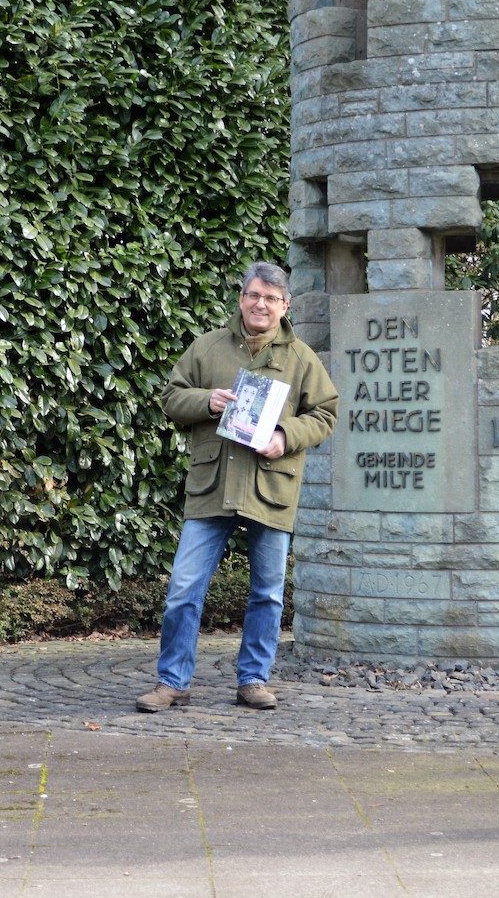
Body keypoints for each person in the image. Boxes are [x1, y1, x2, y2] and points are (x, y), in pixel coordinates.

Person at [136, 261, 339, 713]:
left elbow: (325, 414)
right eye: (253, 295)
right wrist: (206, 401)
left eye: (271, 298)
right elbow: (171, 396)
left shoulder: (302, 358)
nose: (260, 304)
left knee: (267, 593)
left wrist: (285, 437)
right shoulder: (208, 347)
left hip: (270, 490)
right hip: (212, 486)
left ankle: (253, 679)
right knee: (184, 589)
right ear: (241, 298)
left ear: (284, 306)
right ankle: (172, 682)